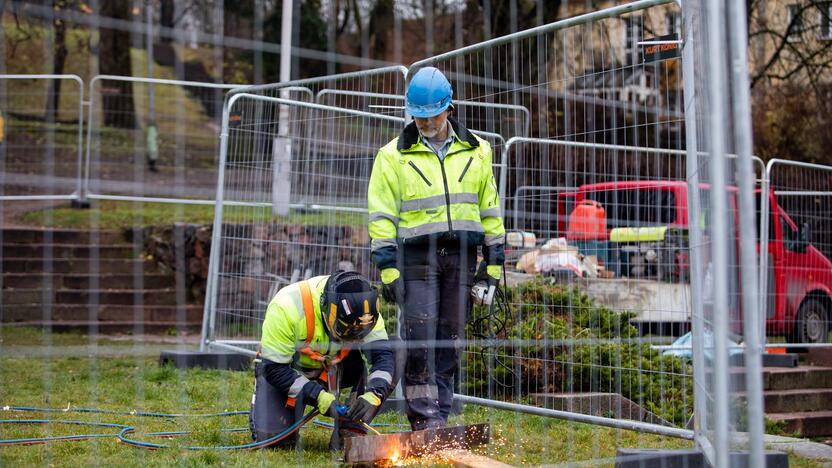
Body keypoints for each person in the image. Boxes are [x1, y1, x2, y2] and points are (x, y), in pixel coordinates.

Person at [367, 67, 506, 430]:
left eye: (432, 115)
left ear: (449, 108)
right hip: (416, 260)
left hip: (462, 258)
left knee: (449, 339)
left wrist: (492, 265)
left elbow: (490, 209)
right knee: (420, 340)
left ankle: (441, 415)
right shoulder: (392, 157)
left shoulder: (477, 151)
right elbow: (381, 217)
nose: (426, 122)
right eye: (419, 116)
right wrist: (388, 269)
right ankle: (424, 421)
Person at [249, 271, 398, 449]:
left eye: (360, 334)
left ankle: (351, 429)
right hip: (291, 372)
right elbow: (274, 368)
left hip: (337, 369)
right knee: (275, 440)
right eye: (345, 331)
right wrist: (318, 396)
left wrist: (375, 393)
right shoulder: (287, 306)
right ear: (326, 308)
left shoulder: (365, 312)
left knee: (397, 350)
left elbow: (383, 357)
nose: (355, 339)